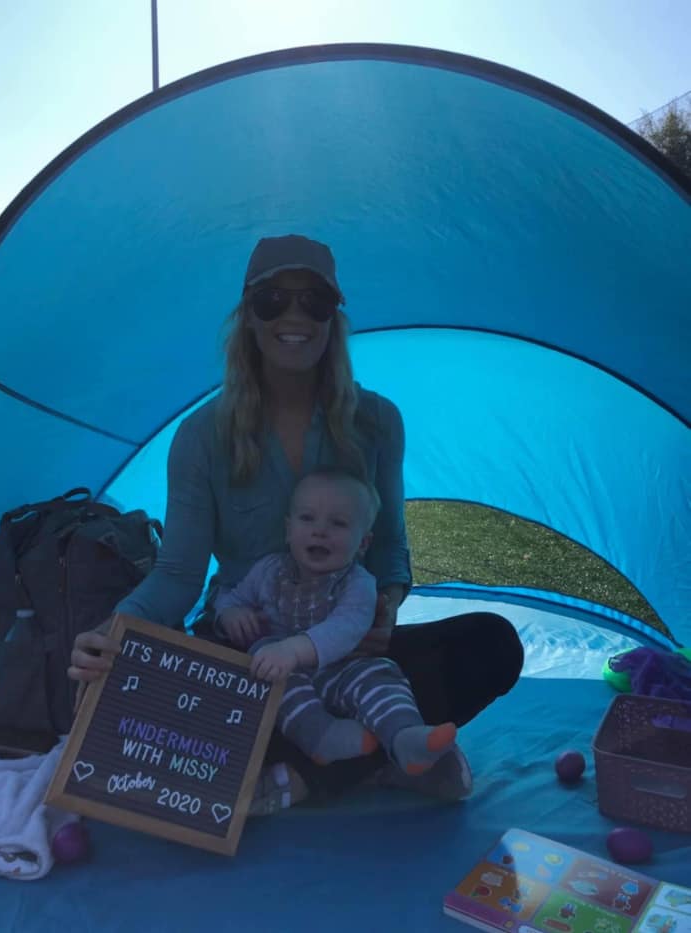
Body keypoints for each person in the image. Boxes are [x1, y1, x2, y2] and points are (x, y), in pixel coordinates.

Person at [68, 233, 524, 813]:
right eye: (272, 300)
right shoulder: (201, 436)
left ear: (334, 317)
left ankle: (304, 777)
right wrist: (114, 631)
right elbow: (178, 574)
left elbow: (388, 549)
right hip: (247, 656)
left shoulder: (378, 421)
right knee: (160, 707)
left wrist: (383, 605)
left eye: (314, 302)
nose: (294, 316)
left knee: (493, 644)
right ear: (248, 317)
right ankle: (373, 760)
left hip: (344, 650)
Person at [215, 467, 461, 779]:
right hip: (285, 673)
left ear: (363, 543)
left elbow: (346, 627)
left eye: (338, 523)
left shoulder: (358, 582)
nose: (320, 531)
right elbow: (231, 598)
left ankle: (405, 738)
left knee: (380, 674)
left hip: (342, 669)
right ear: (288, 529)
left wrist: (293, 650)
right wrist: (230, 614)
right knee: (265, 667)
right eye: (307, 519)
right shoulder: (268, 571)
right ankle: (321, 736)